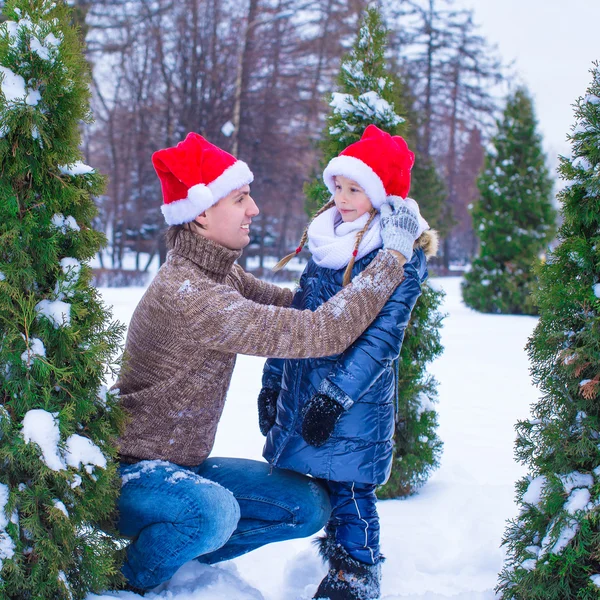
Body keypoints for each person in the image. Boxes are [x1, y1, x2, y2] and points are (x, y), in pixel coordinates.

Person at [113, 131, 424, 593]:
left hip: (185, 469)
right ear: (202, 212)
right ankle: (120, 578)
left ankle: (181, 553)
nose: (254, 209)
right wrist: (392, 258)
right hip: (134, 476)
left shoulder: (217, 274)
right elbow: (319, 330)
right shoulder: (192, 296)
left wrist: (345, 267)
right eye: (241, 198)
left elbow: (295, 309)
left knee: (307, 506)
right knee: (212, 514)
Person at [258, 125, 438, 600]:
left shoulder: (400, 253)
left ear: (380, 195)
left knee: (351, 490)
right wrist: (273, 380)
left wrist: (336, 397)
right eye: (337, 186)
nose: (341, 197)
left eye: (355, 188)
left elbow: (383, 337)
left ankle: (356, 575)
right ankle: (335, 566)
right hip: (304, 386)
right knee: (318, 483)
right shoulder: (328, 240)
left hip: (354, 399)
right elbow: (299, 314)